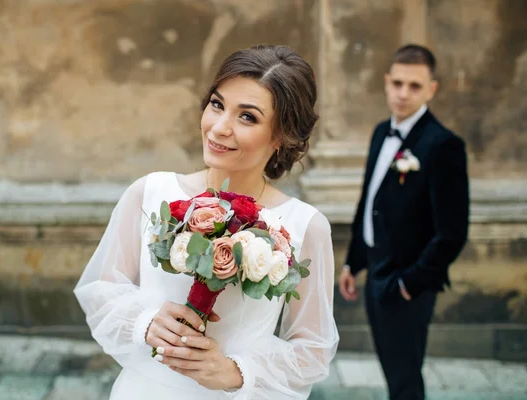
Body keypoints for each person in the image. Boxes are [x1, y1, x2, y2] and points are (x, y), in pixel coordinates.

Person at [74, 44, 339, 399]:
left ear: (282, 137)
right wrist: (145, 321)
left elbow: (313, 350)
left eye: (247, 117)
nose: (219, 127)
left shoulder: (305, 225)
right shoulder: (150, 193)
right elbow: (101, 291)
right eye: (217, 105)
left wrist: (235, 372)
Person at [339, 44, 470, 400]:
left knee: (405, 379)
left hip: (405, 282)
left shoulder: (443, 145)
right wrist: (354, 261)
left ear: (431, 89)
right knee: (393, 371)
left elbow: (453, 232)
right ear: (386, 82)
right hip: (375, 272)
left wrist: (409, 283)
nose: (402, 93)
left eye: (414, 86)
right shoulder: (382, 132)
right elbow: (370, 202)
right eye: (397, 83)